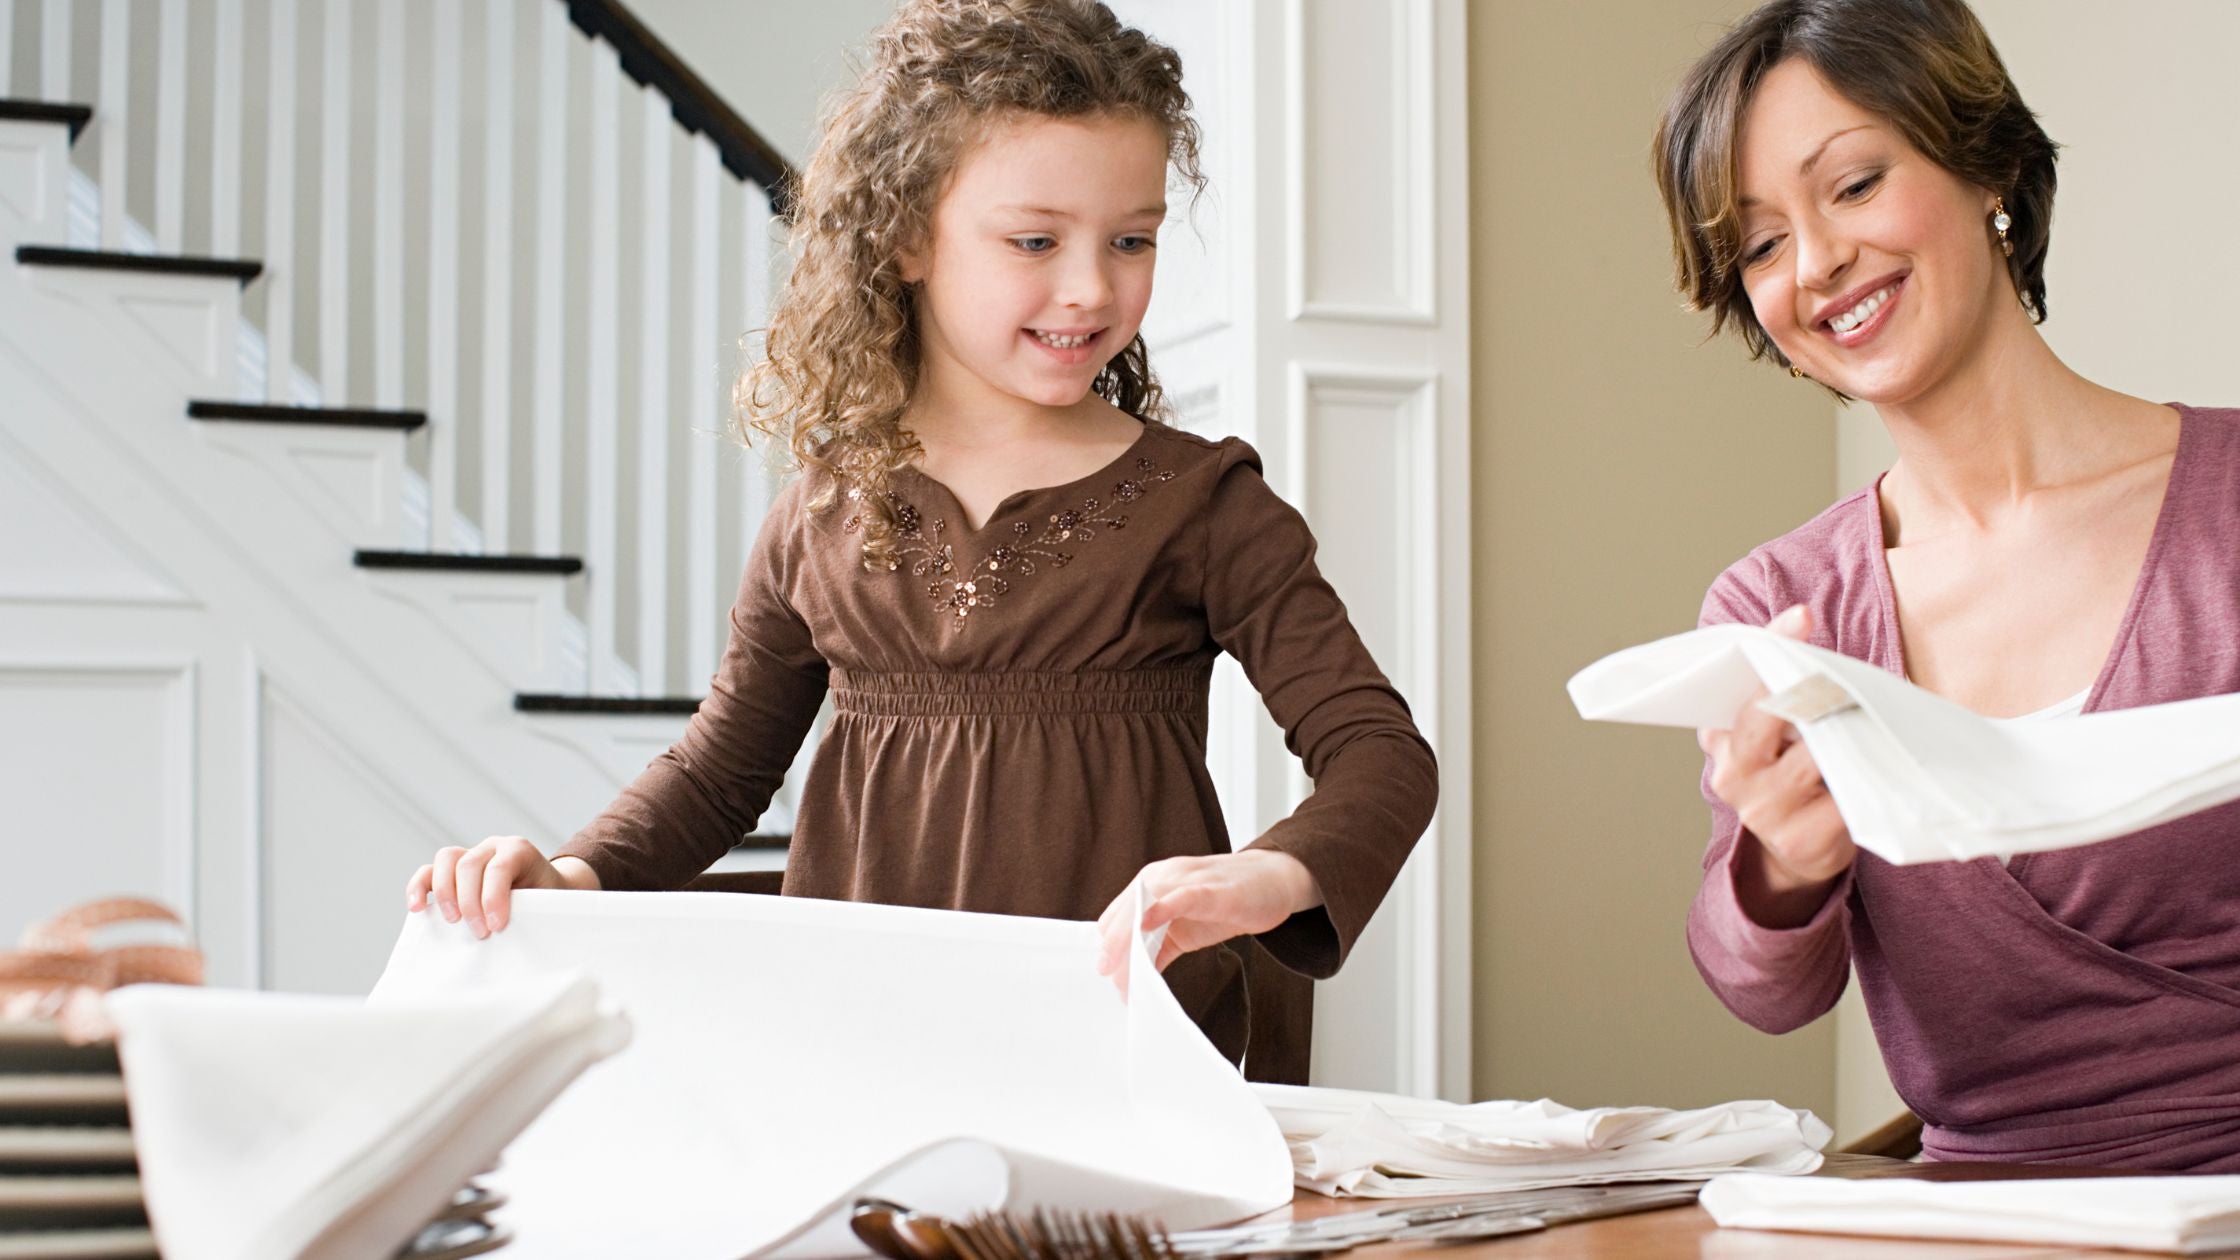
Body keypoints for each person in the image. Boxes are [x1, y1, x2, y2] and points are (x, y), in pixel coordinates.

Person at [402, 0, 1437, 1065]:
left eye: (1131, 239)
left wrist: (1268, 875)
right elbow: (719, 774)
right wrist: (570, 876)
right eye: (1033, 239)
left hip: (1126, 1064)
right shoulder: (817, 513)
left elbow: (1380, 756)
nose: (1091, 286)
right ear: (903, 238)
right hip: (863, 1059)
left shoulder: (1207, 505)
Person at [1653, 0, 2240, 1170]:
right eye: (1761, 244)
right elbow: (1763, 990)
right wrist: (1780, 863)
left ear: (1988, 170)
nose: (1815, 262)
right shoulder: (1778, 599)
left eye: (1854, 185)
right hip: (1963, 1220)